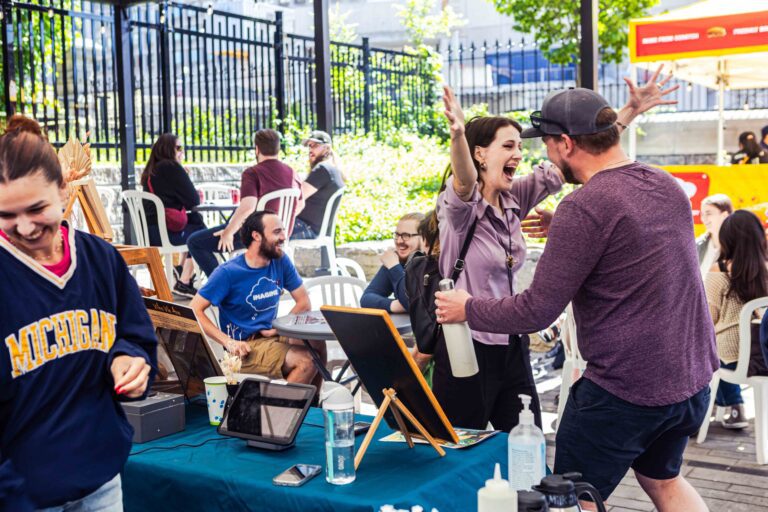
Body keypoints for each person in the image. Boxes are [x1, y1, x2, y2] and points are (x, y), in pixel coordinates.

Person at [435, 84, 717, 510]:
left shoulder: (582, 208)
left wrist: (467, 307)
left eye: (545, 143)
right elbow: (627, 238)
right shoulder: (666, 185)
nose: (538, 154)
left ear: (566, 143)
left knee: (570, 499)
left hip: (625, 389)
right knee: (663, 481)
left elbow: (537, 310)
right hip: (690, 380)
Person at [0, 115, 156, 510]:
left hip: (100, 480)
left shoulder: (101, 259)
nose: (24, 228)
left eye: (37, 209)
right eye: (6, 215)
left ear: (64, 190)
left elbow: (135, 335)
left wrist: (129, 359)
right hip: (22, 495)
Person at [190, 210, 316, 384]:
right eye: (277, 232)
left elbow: (304, 302)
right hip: (245, 348)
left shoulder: (280, 260)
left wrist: (278, 328)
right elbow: (194, 310)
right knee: (306, 361)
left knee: (317, 344)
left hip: (270, 336)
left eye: (283, 230)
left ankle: (312, 400)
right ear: (256, 236)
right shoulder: (228, 272)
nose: (284, 237)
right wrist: (228, 342)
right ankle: (284, 402)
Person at [188, 129, 301, 278]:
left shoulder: (253, 173)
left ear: (257, 149)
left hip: (254, 236)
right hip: (279, 236)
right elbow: (300, 204)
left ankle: (224, 285)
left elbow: (248, 207)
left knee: (195, 242)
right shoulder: (292, 172)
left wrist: (229, 232)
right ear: (278, 148)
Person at [704, 210, 768, 429]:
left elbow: (709, 320)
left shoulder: (719, 270)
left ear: (727, 239)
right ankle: (727, 405)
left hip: (732, 358)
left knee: (707, 348)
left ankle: (732, 404)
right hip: (763, 354)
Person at [141, 133, 207, 297]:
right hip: (165, 235)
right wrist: (183, 174)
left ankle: (180, 269)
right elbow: (193, 200)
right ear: (167, 149)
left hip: (151, 233)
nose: (181, 151)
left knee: (195, 220)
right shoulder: (171, 167)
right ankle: (184, 281)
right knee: (202, 235)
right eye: (178, 148)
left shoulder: (151, 170)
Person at [361, 212, 425, 313]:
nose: (399, 241)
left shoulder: (430, 265)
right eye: (397, 235)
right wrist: (394, 305)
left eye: (406, 235)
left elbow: (415, 304)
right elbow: (366, 298)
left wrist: (394, 267)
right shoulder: (396, 260)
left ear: (423, 238)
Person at [291, 130, 345, 241]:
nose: (310, 149)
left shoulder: (322, 169)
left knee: (263, 232)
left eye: (315, 145)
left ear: (327, 148)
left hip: (305, 228)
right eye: (309, 146)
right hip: (312, 228)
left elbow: (297, 197)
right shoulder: (333, 170)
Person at [696, 194, 733, 278]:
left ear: (724, 215)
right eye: (702, 214)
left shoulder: (738, 247)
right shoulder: (697, 245)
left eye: (708, 213)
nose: (703, 219)